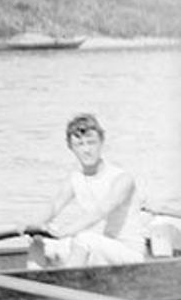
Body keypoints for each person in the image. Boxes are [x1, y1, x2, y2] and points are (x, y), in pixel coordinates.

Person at [29, 113, 146, 268]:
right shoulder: (74, 179)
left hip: (129, 254)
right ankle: (33, 285)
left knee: (85, 238)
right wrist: (33, 225)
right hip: (95, 249)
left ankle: (68, 287)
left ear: (101, 142)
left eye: (91, 143)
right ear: (71, 147)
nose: (86, 150)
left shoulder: (122, 179)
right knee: (39, 241)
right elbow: (54, 206)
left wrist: (65, 231)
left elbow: (99, 212)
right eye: (80, 144)